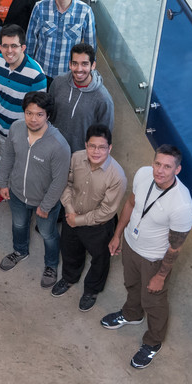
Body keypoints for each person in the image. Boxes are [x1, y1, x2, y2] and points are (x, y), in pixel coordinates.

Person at [102, 145, 192, 370]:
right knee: (131, 285)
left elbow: (175, 247)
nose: (160, 171)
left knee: (154, 301)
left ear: (177, 170)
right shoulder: (144, 174)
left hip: (153, 258)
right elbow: (132, 204)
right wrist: (118, 234)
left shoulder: (181, 204)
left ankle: (153, 342)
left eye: (167, 166)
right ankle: (132, 314)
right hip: (132, 247)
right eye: (158, 163)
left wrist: (161, 276)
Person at [0, 91, 72, 288]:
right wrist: (2, 182)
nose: (33, 119)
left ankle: (51, 265)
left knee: (48, 234)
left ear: (48, 115)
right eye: (29, 113)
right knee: (19, 225)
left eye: (39, 114)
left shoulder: (59, 145)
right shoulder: (16, 128)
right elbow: (8, 157)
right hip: (18, 195)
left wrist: (46, 206)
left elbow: (59, 181)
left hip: (44, 202)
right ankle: (20, 251)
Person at [53, 124, 125, 311]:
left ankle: (92, 289)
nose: (96, 151)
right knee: (69, 249)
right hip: (72, 214)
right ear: (86, 145)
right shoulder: (76, 158)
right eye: (92, 146)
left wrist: (77, 220)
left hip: (98, 226)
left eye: (102, 147)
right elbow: (65, 183)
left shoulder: (117, 176)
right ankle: (69, 277)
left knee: (100, 259)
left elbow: (106, 211)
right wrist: (69, 209)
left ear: (110, 148)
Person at [0, 25, 48, 199]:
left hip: (22, 135)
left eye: (14, 46)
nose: (9, 50)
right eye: (5, 46)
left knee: (21, 168)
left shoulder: (36, 75)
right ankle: (4, 191)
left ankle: (17, 197)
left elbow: (39, 113)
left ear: (23, 47)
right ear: (0, 47)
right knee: (2, 161)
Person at [26, 0, 97, 80]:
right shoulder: (40, 7)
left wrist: (88, 75)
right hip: (41, 71)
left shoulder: (85, 12)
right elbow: (30, 40)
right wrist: (28, 69)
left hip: (69, 75)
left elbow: (91, 47)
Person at [51, 43, 115, 152]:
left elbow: (104, 137)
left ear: (93, 65)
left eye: (84, 64)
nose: (79, 69)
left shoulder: (103, 99)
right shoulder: (58, 83)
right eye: (75, 63)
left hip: (81, 157)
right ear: (70, 64)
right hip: (53, 149)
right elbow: (49, 116)